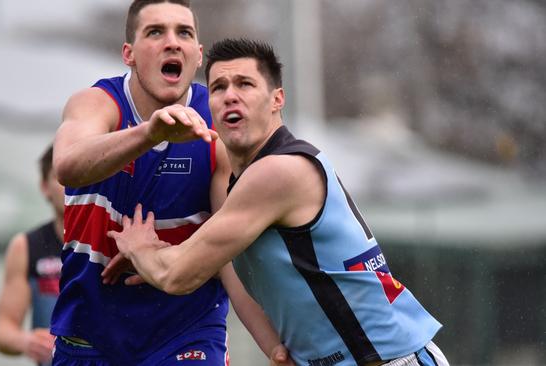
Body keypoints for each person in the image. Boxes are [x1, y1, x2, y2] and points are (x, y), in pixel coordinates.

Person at [103, 38, 450, 366]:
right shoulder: (243, 181)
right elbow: (227, 272)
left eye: (245, 84)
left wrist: (140, 248)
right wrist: (275, 348)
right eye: (219, 87)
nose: (230, 96)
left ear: (277, 99)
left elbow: (179, 275)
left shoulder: (279, 172)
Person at [50, 1, 290, 365]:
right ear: (128, 54)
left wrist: (274, 347)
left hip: (187, 331)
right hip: (90, 335)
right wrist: (150, 134)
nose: (172, 42)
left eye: (184, 33)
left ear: (198, 55)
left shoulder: (216, 126)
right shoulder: (97, 103)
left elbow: (230, 253)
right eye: (155, 32)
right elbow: (67, 166)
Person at [0, 144, 63, 366]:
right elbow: (3, 331)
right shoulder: (26, 246)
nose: (71, 184)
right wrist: (26, 341)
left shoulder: (115, 238)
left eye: (78, 172)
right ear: (44, 187)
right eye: (61, 176)